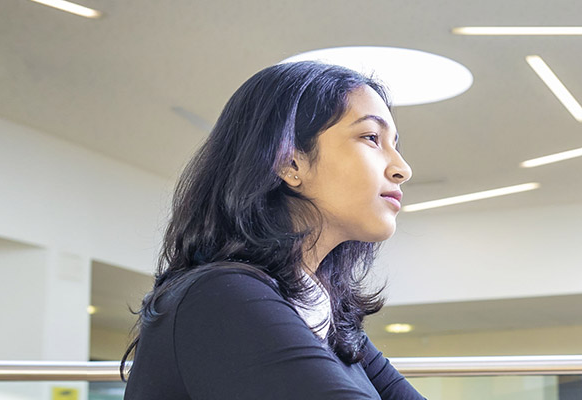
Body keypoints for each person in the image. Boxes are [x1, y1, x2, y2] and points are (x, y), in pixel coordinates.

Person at [122, 61, 423, 399]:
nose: (402, 168)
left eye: (395, 144)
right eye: (371, 137)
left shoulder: (327, 316)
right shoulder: (220, 297)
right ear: (289, 162)